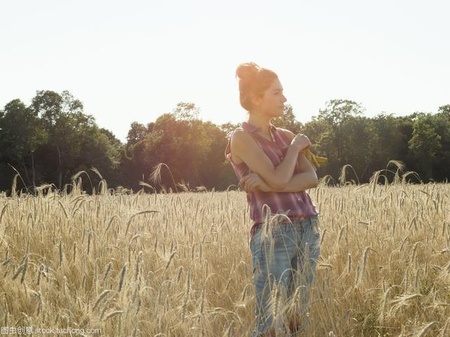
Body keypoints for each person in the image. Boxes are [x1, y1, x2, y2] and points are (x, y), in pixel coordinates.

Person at [225, 62, 321, 336]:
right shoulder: (241, 138)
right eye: (276, 93)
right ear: (256, 98)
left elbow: (311, 179)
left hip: (308, 228)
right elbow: (282, 179)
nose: (284, 99)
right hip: (273, 233)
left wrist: (267, 182)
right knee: (271, 323)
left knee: (295, 317)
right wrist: (293, 149)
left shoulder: (285, 134)